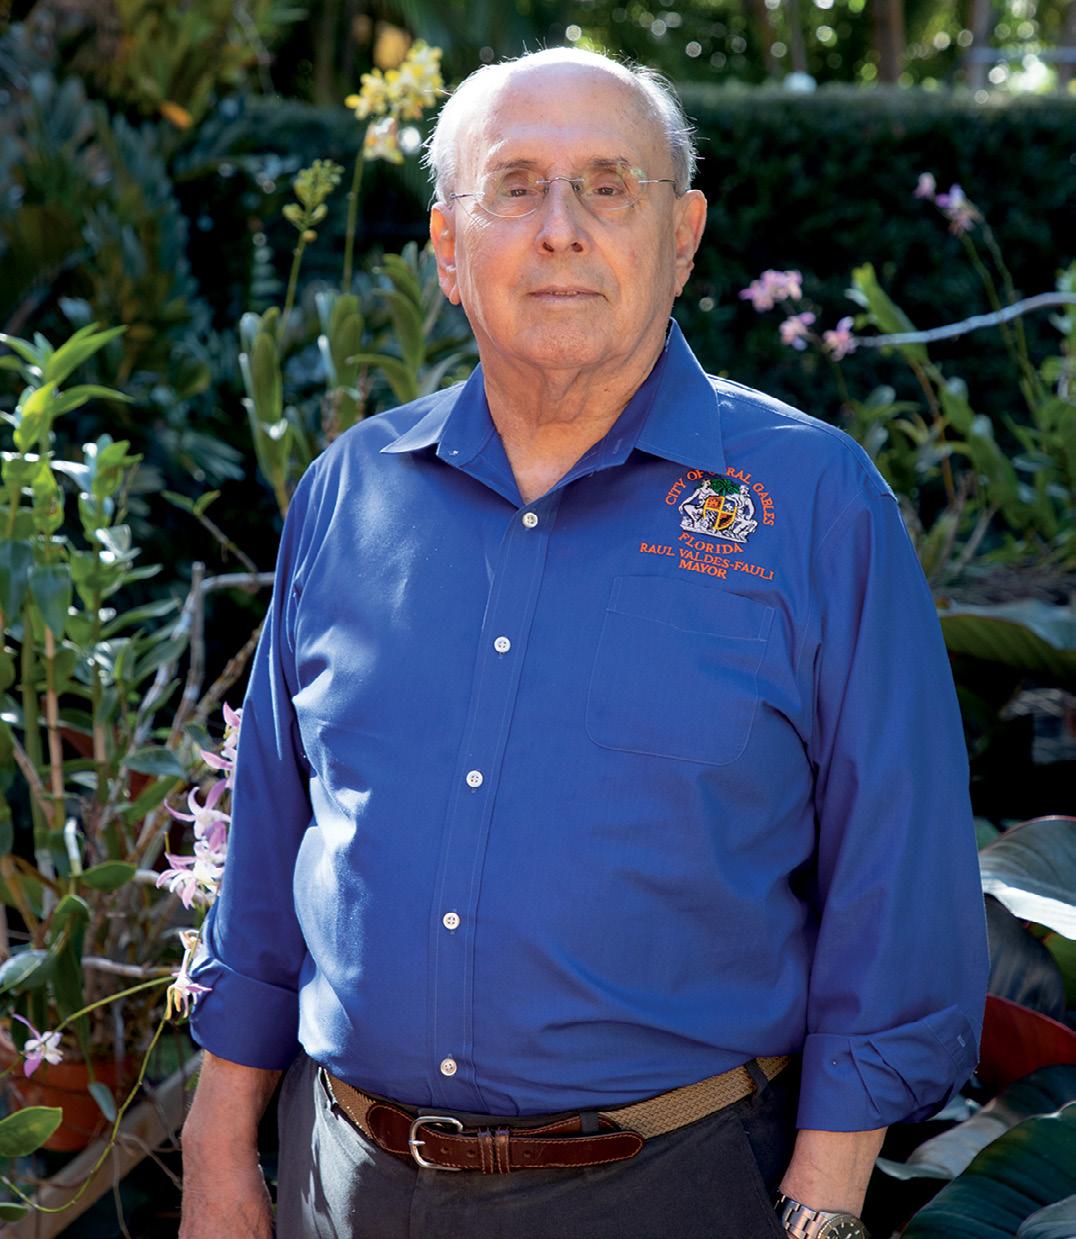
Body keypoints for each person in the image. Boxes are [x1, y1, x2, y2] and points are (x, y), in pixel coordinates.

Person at [179, 47, 988, 1239]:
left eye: (608, 187)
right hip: (343, 1182)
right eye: (513, 187)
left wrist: (821, 1205)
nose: (559, 229)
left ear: (682, 236)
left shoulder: (812, 504)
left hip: (674, 1189)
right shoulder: (351, 492)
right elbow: (268, 843)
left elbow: (897, 871)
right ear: (448, 248)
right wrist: (215, 1143)